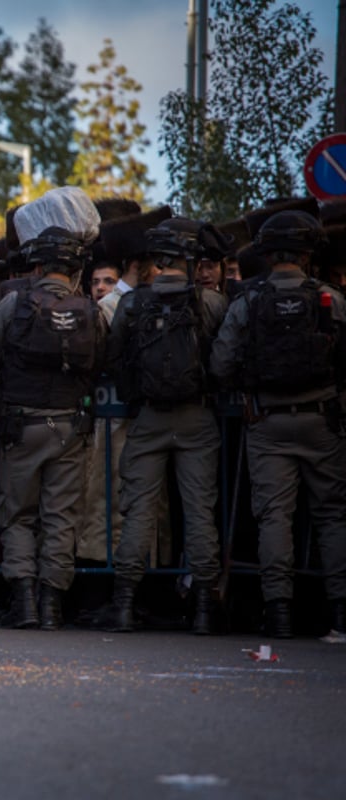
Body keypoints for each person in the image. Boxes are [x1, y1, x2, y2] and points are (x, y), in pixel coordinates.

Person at [0, 187, 106, 630]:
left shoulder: (15, 303)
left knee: (17, 514)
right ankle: (52, 605)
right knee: (61, 516)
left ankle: (24, 602)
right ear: (75, 267)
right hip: (72, 427)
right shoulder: (90, 309)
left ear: (35, 264)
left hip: (21, 425)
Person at [211, 210, 346, 638]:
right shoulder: (330, 298)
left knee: (274, 517)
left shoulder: (248, 301)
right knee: (332, 516)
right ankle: (341, 612)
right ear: (308, 255)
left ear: (267, 255)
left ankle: (279, 612)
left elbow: (220, 363)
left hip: (266, 421)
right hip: (322, 420)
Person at [105, 218, 230, 634]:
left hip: (149, 417)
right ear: (188, 258)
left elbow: (114, 354)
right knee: (199, 512)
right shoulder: (207, 301)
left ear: (154, 260)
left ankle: (123, 606)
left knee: (137, 510)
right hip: (198, 417)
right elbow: (223, 357)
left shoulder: (133, 303)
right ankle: (203, 612)